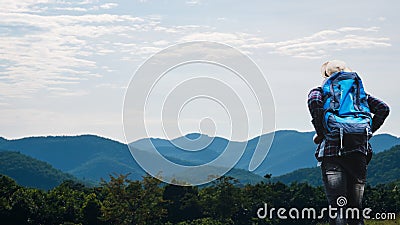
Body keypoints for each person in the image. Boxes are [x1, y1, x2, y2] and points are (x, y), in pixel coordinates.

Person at [307, 60, 390, 225]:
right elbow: (383, 108)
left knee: (338, 207)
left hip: (332, 153)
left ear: (326, 76)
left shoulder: (320, 92)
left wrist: (322, 131)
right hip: (359, 153)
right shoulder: (360, 96)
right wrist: (367, 132)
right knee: (355, 208)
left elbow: (313, 101)